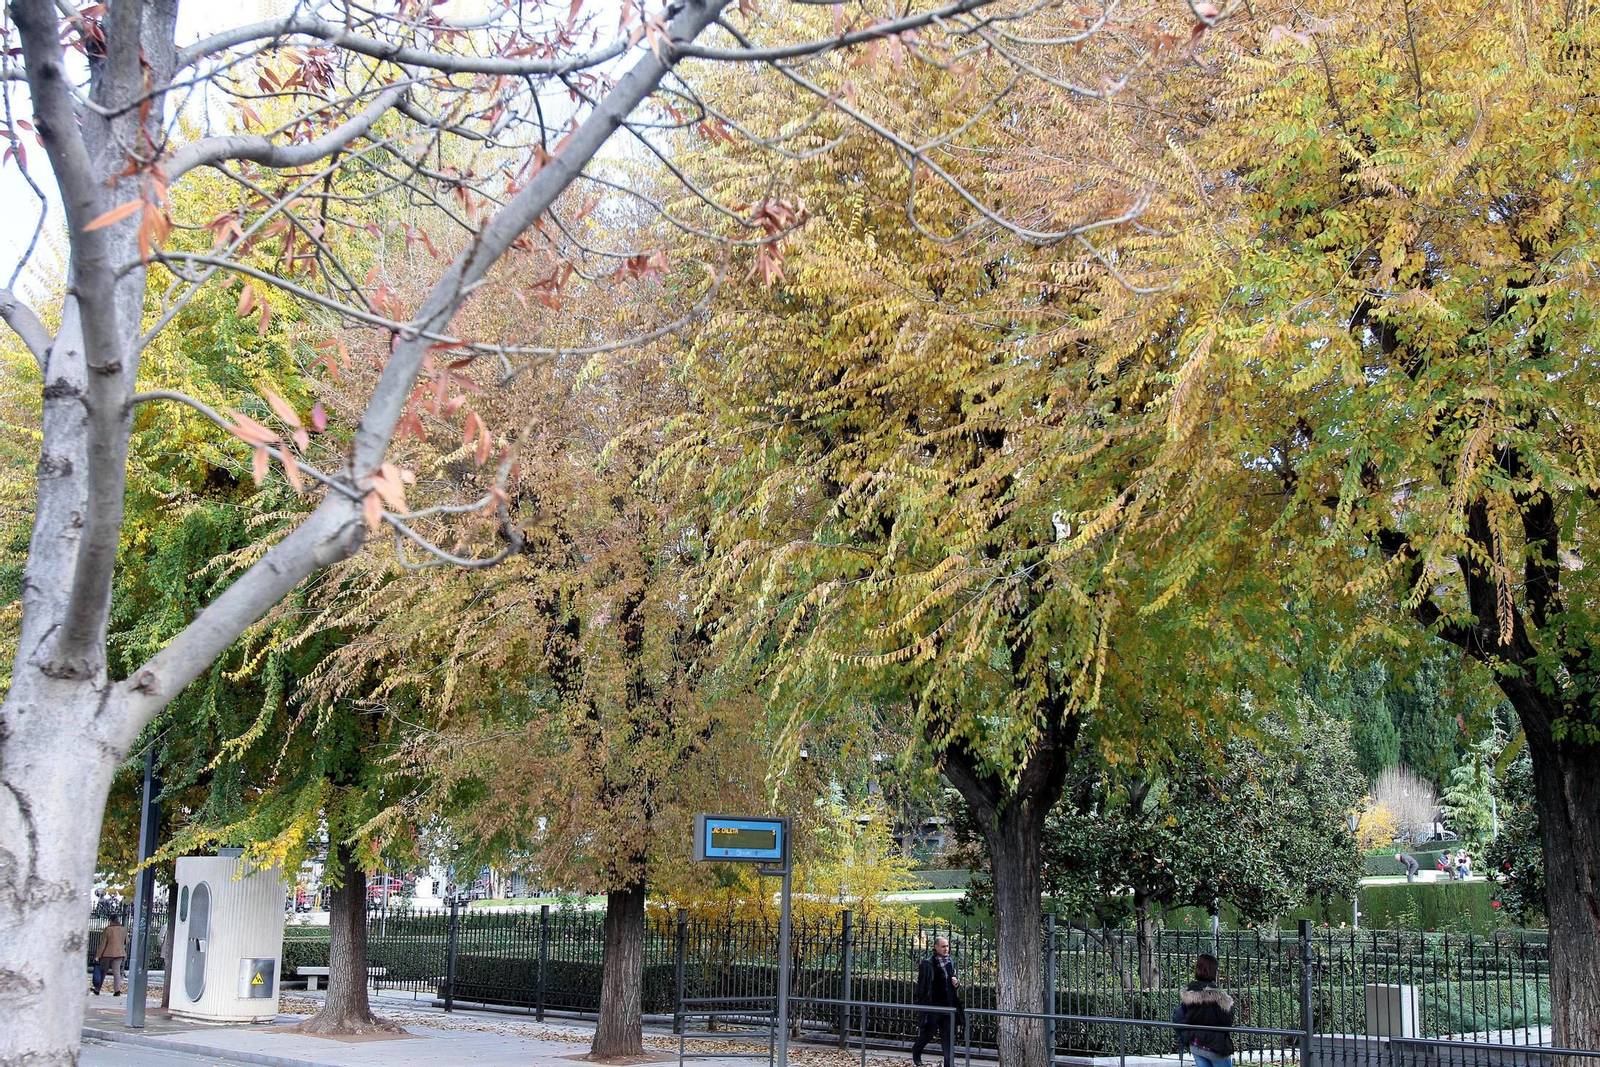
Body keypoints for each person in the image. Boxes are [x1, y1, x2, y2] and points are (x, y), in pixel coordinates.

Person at [1178, 954, 1235, 1067]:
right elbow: (1228, 1020)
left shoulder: (1188, 993)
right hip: (1215, 1046)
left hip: (1196, 1044)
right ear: (1213, 970)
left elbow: (1183, 1015)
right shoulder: (1219, 997)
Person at [912, 936, 960, 1067]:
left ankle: (949, 1064)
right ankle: (916, 1051)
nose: (946, 949)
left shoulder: (950, 961)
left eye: (947, 946)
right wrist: (923, 1005)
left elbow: (954, 979)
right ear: (936, 947)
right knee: (928, 1033)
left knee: (948, 1036)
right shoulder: (927, 963)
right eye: (943, 946)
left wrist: (956, 982)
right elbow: (922, 987)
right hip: (933, 1005)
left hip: (948, 1005)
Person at [94, 916, 129, 996]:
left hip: (107, 953)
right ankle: (117, 991)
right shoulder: (123, 929)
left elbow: (103, 944)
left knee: (103, 972)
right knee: (117, 972)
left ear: (111, 920)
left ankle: (97, 989)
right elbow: (127, 941)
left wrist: (98, 955)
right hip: (120, 953)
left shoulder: (108, 929)